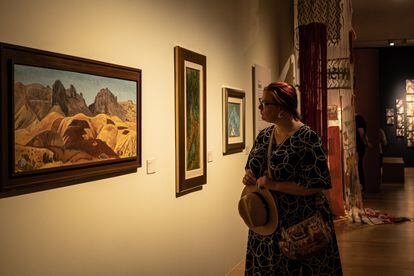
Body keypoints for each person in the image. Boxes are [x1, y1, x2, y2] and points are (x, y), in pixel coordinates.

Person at [242, 82, 342, 275]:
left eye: (265, 103)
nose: (260, 107)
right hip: (267, 222)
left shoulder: (307, 138)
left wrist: (275, 184)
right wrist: (249, 176)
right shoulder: (264, 136)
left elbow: (317, 183)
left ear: (282, 108)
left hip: (300, 225)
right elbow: (252, 166)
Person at [355, 114, 372, 191]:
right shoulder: (359, 118)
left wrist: (366, 142)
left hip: (359, 146)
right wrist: (367, 142)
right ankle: (361, 186)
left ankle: (361, 186)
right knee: (359, 165)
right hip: (360, 146)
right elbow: (363, 133)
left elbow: (362, 133)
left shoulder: (358, 118)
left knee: (358, 166)